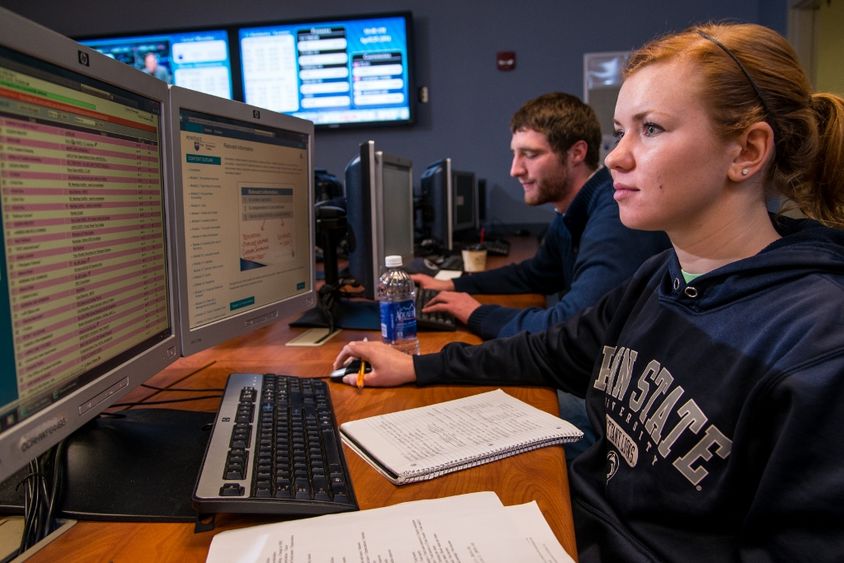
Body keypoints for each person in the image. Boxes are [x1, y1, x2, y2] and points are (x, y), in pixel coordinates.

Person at [333, 22, 844, 561]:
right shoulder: (661, 277)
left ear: (747, 149)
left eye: (650, 129)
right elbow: (552, 350)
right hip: (572, 526)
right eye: (619, 132)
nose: (616, 159)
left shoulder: (817, 343)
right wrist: (417, 368)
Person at [414, 94, 669, 342]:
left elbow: (570, 327)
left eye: (530, 154)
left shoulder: (615, 214)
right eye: (515, 154)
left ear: (577, 153)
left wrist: (476, 313)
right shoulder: (573, 208)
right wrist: (453, 285)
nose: (515, 170)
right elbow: (536, 274)